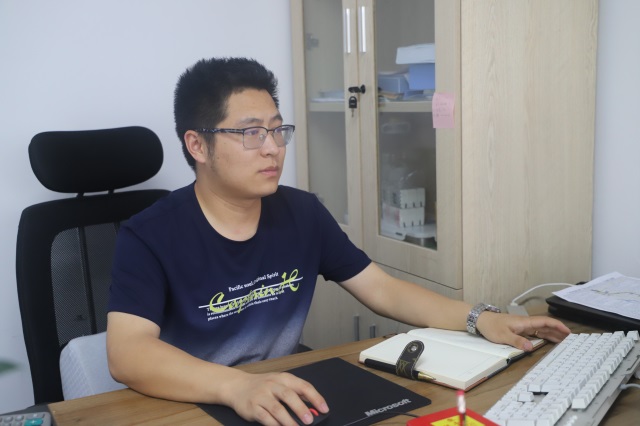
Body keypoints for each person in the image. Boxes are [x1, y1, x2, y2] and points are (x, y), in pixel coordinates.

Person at [106, 57, 571, 426]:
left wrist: (480, 318)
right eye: (251, 133)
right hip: (195, 402)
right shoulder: (149, 235)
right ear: (197, 145)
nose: (272, 147)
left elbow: (382, 289)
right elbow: (127, 354)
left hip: (286, 398)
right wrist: (235, 386)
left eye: (277, 129)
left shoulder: (302, 213)